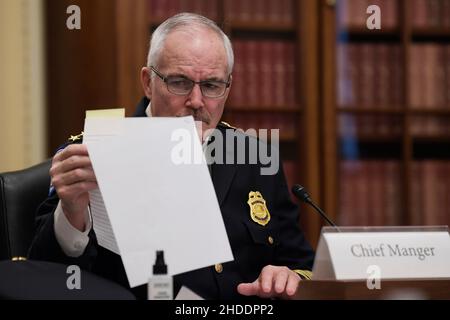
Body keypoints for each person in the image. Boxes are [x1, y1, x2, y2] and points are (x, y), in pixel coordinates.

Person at [28, 12, 314, 300]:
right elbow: (44, 275)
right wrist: (71, 213)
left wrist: (286, 277)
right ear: (148, 82)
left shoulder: (255, 157)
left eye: (212, 85)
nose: (196, 101)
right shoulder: (95, 150)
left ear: (228, 87)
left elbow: (302, 265)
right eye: (179, 82)